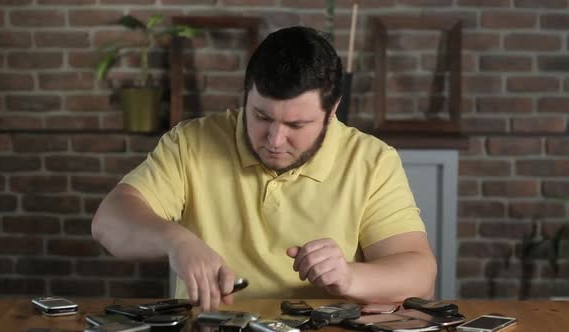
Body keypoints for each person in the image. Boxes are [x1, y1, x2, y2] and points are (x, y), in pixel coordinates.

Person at [92, 26, 437, 311]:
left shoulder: (372, 160)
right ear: (246, 95)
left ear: (332, 112)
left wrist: (349, 276)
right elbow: (108, 221)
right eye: (261, 116)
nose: (274, 139)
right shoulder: (192, 142)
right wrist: (176, 241)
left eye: (296, 125)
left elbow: (419, 272)